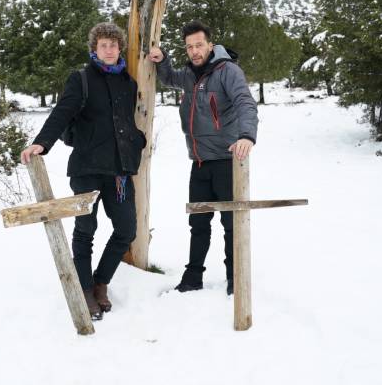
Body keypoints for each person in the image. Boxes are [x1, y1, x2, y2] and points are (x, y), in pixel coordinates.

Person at [21, 22, 146, 320]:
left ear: (119, 49)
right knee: (86, 230)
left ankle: (101, 282)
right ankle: (85, 288)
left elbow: (125, 121)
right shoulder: (82, 79)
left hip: (119, 172)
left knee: (127, 229)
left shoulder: (128, 83)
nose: (109, 49)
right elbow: (62, 112)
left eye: (114, 44)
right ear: (94, 48)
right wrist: (41, 142)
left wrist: (137, 141)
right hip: (88, 168)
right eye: (103, 44)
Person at [148, 20, 257, 295]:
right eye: (189, 47)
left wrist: (246, 136)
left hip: (226, 160)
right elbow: (169, 78)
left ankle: (235, 277)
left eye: (199, 45)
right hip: (199, 162)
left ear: (210, 44)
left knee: (231, 223)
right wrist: (163, 60)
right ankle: (193, 277)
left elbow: (245, 102)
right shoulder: (188, 74)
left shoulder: (227, 71)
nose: (195, 51)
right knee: (198, 223)